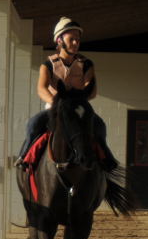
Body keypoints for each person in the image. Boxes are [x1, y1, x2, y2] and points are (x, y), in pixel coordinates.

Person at [16, 17, 115, 169]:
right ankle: (25, 157)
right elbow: (41, 88)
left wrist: (76, 100)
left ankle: (106, 157)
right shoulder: (47, 65)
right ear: (60, 40)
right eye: (72, 39)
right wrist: (57, 102)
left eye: (78, 39)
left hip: (78, 108)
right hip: (56, 108)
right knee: (33, 124)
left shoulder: (87, 64)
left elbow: (92, 90)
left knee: (100, 125)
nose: (76, 43)